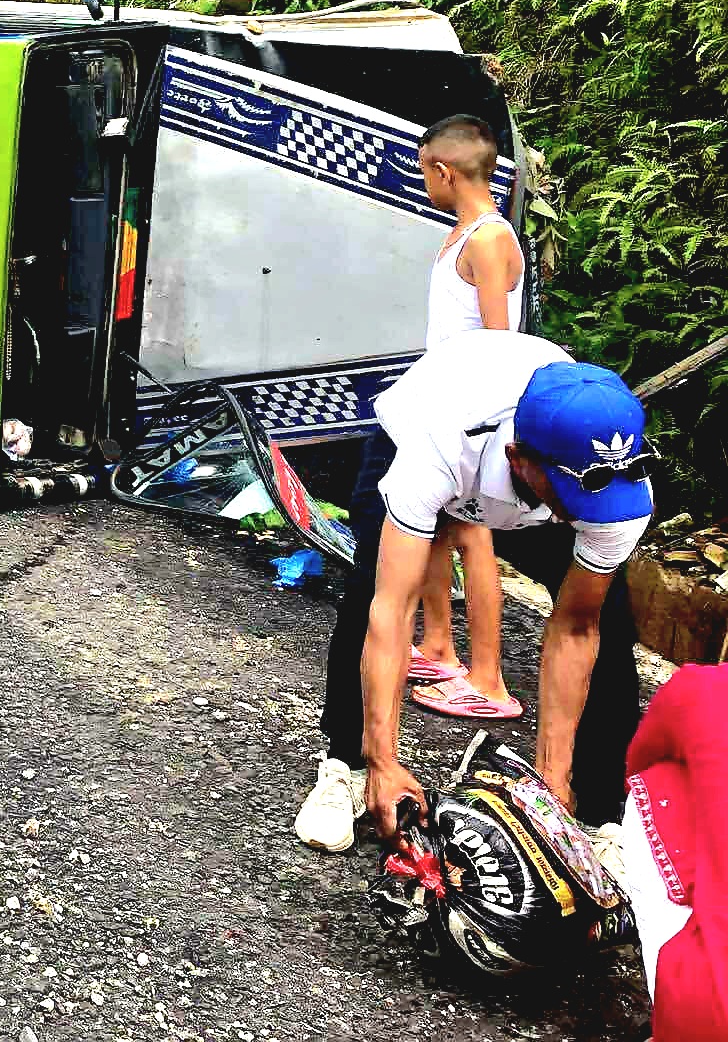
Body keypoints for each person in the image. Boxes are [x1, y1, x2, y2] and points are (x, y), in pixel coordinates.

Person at [294, 329, 652, 854]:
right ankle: (347, 766)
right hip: (427, 432)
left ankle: (600, 816)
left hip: (543, 471)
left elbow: (576, 629)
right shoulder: (438, 444)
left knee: (611, 631)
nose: (586, 513)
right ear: (519, 458)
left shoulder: (615, 485)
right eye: (573, 495)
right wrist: (384, 760)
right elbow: (394, 612)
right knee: (371, 589)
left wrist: (550, 788)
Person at [404, 114, 529, 722]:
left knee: (475, 536)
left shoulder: (488, 238)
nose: (423, 182)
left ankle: (489, 680)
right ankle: (438, 645)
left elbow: (498, 342)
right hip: (443, 400)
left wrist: (482, 430)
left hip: (475, 412)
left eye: (425, 171)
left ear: (445, 171)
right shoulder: (463, 233)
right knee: (431, 527)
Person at [617, 662, 728, 1039]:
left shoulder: (706, 689)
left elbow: (638, 760)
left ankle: (673, 1015)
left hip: (710, 1009)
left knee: (660, 781)